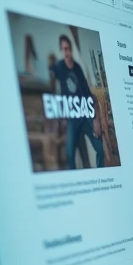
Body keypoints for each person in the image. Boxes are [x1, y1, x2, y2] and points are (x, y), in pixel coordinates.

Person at [49, 34, 103, 170]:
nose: (66, 52)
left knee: (100, 149)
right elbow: (52, 81)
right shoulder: (59, 66)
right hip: (72, 118)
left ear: (71, 49)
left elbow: (86, 91)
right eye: (63, 49)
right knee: (69, 154)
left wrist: (95, 118)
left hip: (84, 115)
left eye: (68, 49)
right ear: (61, 51)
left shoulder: (77, 68)